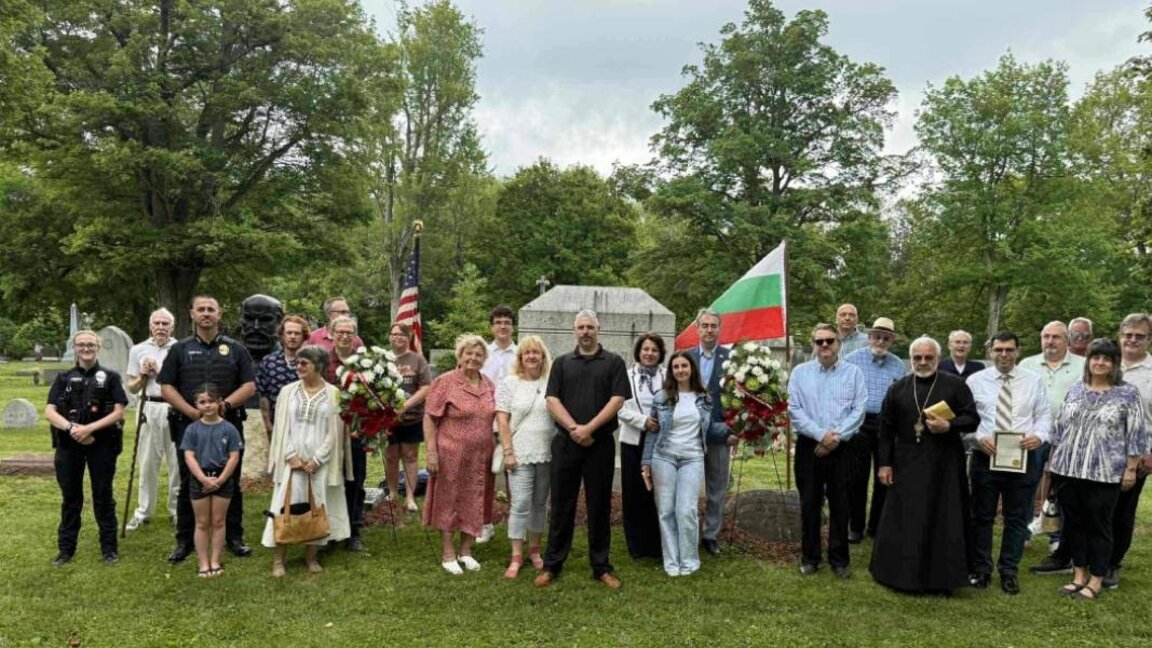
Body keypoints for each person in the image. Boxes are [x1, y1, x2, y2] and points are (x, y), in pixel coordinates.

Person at [870, 337, 978, 594]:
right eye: (917, 358)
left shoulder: (954, 385)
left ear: (938, 359)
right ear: (911, 359)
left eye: (928, 357)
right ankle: (899, 576)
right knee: (907, 519)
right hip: (906, 463)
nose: (922, 362)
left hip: (944, 465)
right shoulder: (898, 389)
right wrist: (884, 464)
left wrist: (949, 426)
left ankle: (941, 579)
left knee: (943, 518)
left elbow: (972, 418)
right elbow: (885, 430)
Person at [534, 310, 631, 590]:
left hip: (599, 445)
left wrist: (589, 429)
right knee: (562, 505)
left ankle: (601, 567)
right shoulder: (562, 364)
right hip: (566, 445)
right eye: (581, 327)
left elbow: (617, 400)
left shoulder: (613, 362)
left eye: (590, 327)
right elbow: (551, 399)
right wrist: (575, 429)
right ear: (574, 331)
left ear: (598, 329)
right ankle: (552, 565)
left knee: (599, 506)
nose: (585, 331)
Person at [1048, 339, 1148, 600]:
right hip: (1068, 469)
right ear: (1089, 361)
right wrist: (1052, 461)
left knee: (1100, 526)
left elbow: (1137, 433)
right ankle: (1078, 575)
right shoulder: (1075, 389)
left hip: (1105, 474)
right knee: (1075, 525)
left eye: (1107, 359)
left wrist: (1131, 468)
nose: (1100, 362)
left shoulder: (1127, 393)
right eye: (1096, 357)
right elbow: (1059, 428)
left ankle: (1096, 579)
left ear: (1114, 364)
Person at [159, 295, 256, 564]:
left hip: (228, 426)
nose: (206, 314)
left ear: (219, 314)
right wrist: (189, 411)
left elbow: (249, 386)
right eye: (200, 309)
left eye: (210, 310)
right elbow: (166, 386)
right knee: (188, 481)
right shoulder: (179, 350)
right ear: (191, 314)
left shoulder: (236, 349)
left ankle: (234, 538)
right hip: (188, 426)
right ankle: (185, 540)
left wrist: (225, 405)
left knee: (231, 481)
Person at [965, 331, 1051, 595]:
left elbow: (1044, 415)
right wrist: (979, 438)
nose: (1004, 355)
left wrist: (1038, 435)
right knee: (982, 516)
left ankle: (1009, 571)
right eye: (998, 349)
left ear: (1017, 351)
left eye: (1009, 350)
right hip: (985, 457)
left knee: (1016, 518)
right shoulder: (975, 381)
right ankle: (981, 569)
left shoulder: (1033, 381)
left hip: (1021, 460)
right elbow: (966, 418)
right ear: (990, 351)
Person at [263, 345, 352, 576]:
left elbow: (335, 432)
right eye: (298, 362)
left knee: (317, 506)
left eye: (304, 363)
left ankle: (311, 557)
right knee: (284, 506)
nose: (298, 366)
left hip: (319, 462)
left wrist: (318, 459)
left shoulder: (334, 393)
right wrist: (291, 456)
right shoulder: (288, 392)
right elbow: (282, 427)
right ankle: (278, 560)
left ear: (319, 366)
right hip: (291, 461)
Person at [788, 323, 867, 578]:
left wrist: (835, 437)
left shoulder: (854, 373)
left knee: (841, 504)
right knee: (809, 503)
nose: (824, 346)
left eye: (829, 341)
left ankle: (839, 559)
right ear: (813, 344)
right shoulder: (800, 373)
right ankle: (810, 557)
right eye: (819, 341)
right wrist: (821, 436)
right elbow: (794, 410)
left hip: (843, 447)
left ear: (838, 343)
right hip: (809, 446)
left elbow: (859, 410)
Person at [641, 352, 728, 577]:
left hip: (693, 457)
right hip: (664, 457)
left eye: (684, 366)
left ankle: (689, 560)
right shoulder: (662, 397)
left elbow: (709, 429)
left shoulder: (704, 398)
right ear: (671, 371)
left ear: (692, 369)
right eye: (676, 366)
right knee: (666, 511)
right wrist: (646, 462)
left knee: (686, 510)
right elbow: (653, 431)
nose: (680, 370)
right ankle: (672, 561)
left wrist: (734, 429)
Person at [45, 330, 128, 566]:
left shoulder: (110, 377)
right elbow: (50, 411)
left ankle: (109, 549)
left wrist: (90, 429)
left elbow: (118, 412)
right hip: (68, 446)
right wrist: (73, 429)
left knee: (103, 496)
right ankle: (66, 550)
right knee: (71, 498)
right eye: (81, 345)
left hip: (102, 444)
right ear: (75, 347)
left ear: (98, 347)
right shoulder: (63, 378)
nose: (86, 349)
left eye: (90, 344)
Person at [423, 334, 496, 575]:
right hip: (451, 454)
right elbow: (430, 419)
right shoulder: (445, 382)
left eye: (478, 354)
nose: (473, 358)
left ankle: (466, 551)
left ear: (484, 359)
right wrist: (431, 453)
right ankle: (448, 554)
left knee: (475, 499)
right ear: (460, 356)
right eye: (469, 353)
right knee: (449, 500)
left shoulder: (489, 385)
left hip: (481, 456)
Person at [495, 335, 554, 578]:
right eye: (527, 353)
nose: (531, 357)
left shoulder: (552, 382)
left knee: (540, 504)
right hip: (518, 454)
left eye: (536, 353)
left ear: (542, 357)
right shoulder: (509, 383)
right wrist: (508, 451)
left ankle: (535, 550)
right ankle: (516, 556)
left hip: (547, 453)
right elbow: (502, 420)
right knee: (519, 505)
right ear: (520, 357)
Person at [843, 316, 906, 542]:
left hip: (887, 426)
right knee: (856, 478)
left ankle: (877, 526)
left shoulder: (899, 365)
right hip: (859, 423)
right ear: (869, 338)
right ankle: (856, 527)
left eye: (886, 338)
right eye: (877, 336)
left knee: (885, 476)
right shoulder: (851, 360)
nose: (880, 341)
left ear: (891, 341)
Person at [1018, 321, 1084, 536]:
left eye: (1056, 337)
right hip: (1034, 434)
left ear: (1067, 340)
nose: (1050, 341)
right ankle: (1024, 530)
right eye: (1046, 336)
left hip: (1069, 437)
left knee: (1063, 488)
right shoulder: (1027, 364)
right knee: (1027, 484)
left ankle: (1056, 535)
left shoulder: (1083, 365)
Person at [685, 309, 737, 557]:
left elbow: (740, 399)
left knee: (717, 489)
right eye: (704, 325)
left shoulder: (732, 360)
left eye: (713, 326)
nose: (709, 330)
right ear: (697, 329)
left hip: (720, 434)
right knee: (689, 488)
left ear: (719, 329)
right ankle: (690, 533)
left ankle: (710, 535)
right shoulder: (685, 358)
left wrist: (734, 430)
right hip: (689, 435)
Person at [124, 308, 180, 531]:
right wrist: (143, 376)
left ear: (172, 327)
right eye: (157, 323)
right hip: (148, 405)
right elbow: (131, 385)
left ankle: (177, 510)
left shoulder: (180, 348)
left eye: (165, 324)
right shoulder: (138, 349)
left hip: (174, 406)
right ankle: (144, 511)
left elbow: (183, 382)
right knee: (147, 461)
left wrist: (160, 371)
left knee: (177, 461)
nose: (161, 327)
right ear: (150, 326)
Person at [180, 385, 242, 578]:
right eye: (202, 402)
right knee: (202, 522)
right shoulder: (192, 430)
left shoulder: (229, 429)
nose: (207, 406)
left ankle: (215, 560)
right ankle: (203, 562)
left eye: (211, 401)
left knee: (218, 521)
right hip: (200, 478)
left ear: (219, 402)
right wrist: (203, 479)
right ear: (196, 405)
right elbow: (189, 456)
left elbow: (234, 457)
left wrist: (221, 479)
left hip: (223, 478)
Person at [324, 315, 372, 551]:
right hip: (328, 432)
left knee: (356, 480)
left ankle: (353, 530)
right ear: (331, 334)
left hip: (357, 431)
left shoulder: (364, 363)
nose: (344, 336)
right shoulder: (323, 361)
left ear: (355, 336)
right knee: (330, 480)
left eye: (349, 332)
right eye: (340, 332)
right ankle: (330, 531)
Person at [616, 333, 666, 560]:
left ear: (660, 354)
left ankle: (655, 543)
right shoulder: (626, 376)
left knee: (656, 492)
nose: (649, 354)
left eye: (654, 350)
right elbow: (619, 408)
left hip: (660, 443)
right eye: (646, 349)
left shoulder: (668, 377)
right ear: (639, 351)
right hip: (633, 441)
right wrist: (643, 421)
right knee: (633, 492)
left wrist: (660, 423)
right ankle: (635, 544)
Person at [479, 305, 518, 544]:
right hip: (485, 422)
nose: (502, 326)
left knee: (515, 476)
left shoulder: (522, 353)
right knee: (485, 477)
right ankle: (485, 523)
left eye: (507, 322)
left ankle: (517, 522)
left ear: (512, 326)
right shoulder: (483, 353)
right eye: (498, 322)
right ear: (491, 326)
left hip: (514, 424)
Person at [385, 322, 432, 517]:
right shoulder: (381, 359)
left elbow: (427, 387)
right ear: (389, 337)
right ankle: (393, 493)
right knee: (391, 457)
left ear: (409, 338)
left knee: (410, 456)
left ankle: (411, 496)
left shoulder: (418, 360)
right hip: (387, 419)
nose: (398, 337)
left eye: (402, 335)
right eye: (394, 334)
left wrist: (405, 405)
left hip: (412, 417)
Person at [256, 315, 311, 439]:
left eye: (297, 333)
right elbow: (263, 395)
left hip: (307, 426)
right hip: (277, 425)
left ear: (304, 336)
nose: (292, 336)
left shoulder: (312, 361)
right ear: (282, 335)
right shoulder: (268, 361)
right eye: (289, 333)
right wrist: (267, 424)